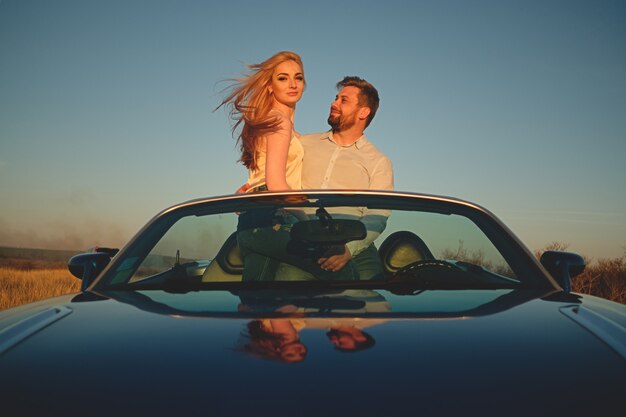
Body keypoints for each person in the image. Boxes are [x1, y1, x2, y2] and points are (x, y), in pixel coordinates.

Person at [218, 52, 357, 281]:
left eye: (298, 78)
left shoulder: (274, 123)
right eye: (282, 78)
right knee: (347, 273)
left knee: (263, 303)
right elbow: (276, 185)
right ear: (270, 86)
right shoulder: (278, 122)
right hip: (272, 218)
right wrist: (309, 223)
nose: (293, 84)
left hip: (251, 224)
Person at [279, 76, 394, 280]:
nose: (334, 103)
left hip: (355, 247)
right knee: (287, 300)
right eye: (336, 98)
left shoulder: (378, 161)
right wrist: (251, 191)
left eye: (344, 100)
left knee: (374, 306)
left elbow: (379, 214)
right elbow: (276, 175)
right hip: (302, 240)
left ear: (363, 112)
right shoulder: (302, 144)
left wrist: (349, 249)